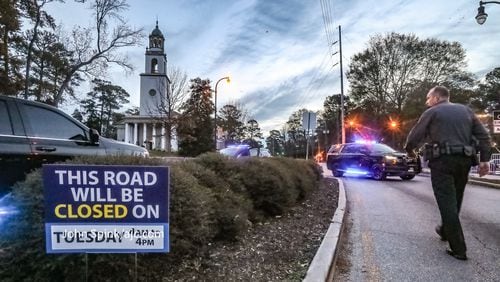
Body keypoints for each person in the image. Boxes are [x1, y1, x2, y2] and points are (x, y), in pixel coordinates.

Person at [404, 86, 491, 261]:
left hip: (442, 161)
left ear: (436, 98)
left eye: (428, 98)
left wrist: (410, 150)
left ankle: (459, 248)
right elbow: (484, 136)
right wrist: (484, 160)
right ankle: (445, 230)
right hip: (464, 161)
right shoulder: (466, 111)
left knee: (446, 202)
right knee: (455, 199)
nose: (427, 102)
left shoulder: (432, 112)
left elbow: (416, 134)